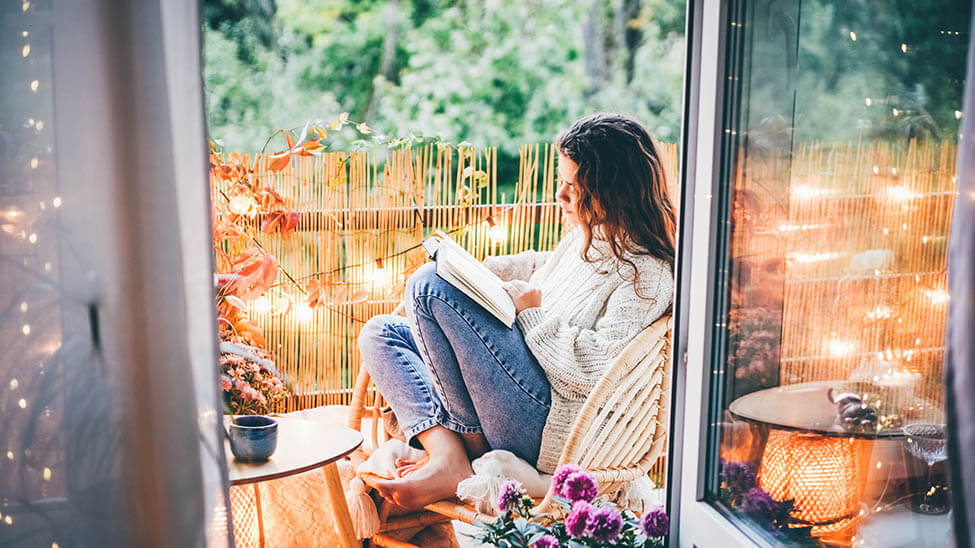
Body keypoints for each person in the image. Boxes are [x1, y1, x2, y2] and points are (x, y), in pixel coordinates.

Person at [357, 113, 676, 509]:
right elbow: (542, 268)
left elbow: (598, 369)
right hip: (516, 394)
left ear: (614, 193)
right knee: (382, 332)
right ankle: (448, 455)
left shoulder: (647, 273)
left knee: (427, 285)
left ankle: (451, 453)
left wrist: (531, 316)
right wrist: (480, 271)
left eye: (573, 188)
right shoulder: (588, 238)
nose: (560, 196)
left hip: (549, 424)